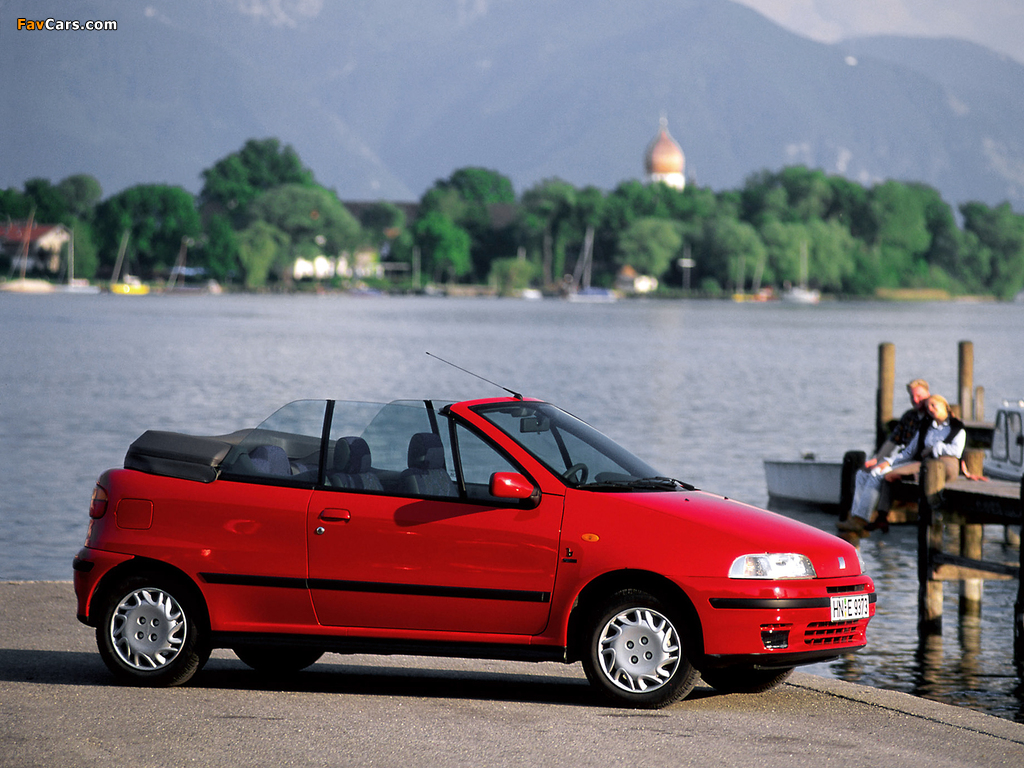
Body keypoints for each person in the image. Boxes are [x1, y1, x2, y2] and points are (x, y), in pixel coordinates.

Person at [839, 394, 965, 536]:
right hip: (920, 464)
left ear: (944, 406)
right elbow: (908, 452)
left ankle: (861, 519)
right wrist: (887, 461)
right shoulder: (926, 427)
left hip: (940, 468)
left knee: (878, 474)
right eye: (928, 406)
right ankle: (857, 518)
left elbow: (957, 451)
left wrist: (935, 448)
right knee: (867, 473)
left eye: (933, 405)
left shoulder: (956, 427)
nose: (930, 409)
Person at [864, 378, 930, 470]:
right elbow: (893, 440)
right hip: (905, 458)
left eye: (919, 396)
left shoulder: (933, 416)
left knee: (884, 473)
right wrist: (877, 459)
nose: (915, 400)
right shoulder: (909, 417)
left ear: (928, 394)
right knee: (871, 470)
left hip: (925, 462)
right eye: (912, 396)